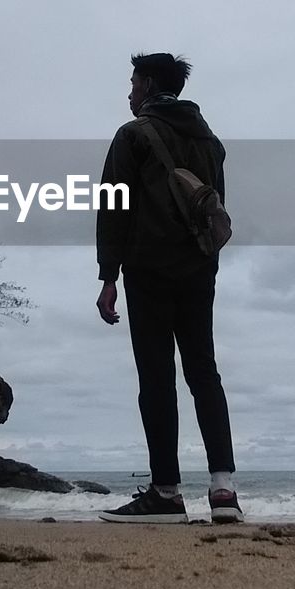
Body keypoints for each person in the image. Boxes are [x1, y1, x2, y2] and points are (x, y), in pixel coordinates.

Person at [94, 52, 241, 524]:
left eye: (134, 82)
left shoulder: (132, 135)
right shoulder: (211, 141)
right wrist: (206, 261)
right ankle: (224, 492)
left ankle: (166, 494)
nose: (130, 92)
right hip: (200, 268)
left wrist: (108, 276)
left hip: (148, 268)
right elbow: (215, 208)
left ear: (151, 83)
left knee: (156, 377)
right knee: (204, 372)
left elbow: (113, 206)